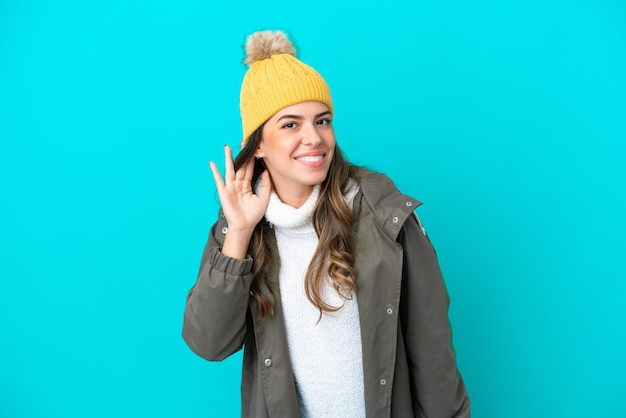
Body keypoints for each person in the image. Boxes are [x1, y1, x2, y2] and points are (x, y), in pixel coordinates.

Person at [182, 30, 470, 418]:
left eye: (322, 120)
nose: (313, 138)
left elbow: (432, 349)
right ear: (259, 144)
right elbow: (209, 343)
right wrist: (239, 233)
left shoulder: (384, 214)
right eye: (290, 125)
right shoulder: (239, 228)